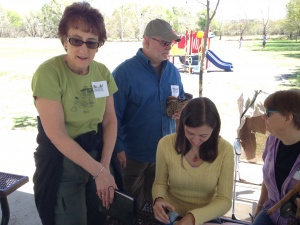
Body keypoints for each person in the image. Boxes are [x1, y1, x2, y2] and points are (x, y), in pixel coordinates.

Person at [31, 2, 119, 225]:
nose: (83, 49)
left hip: (96, 155)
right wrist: (99, 172)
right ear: (64, 40)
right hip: (64, 163)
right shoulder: (48, 74)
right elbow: (57, 134)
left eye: (91, 42)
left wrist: (104, 166)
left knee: (99, 217)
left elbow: (109, 121)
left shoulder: (102, 72)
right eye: (76, 40)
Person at [112, 18, 185, 209]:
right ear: (146, 41)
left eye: (171, 43)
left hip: (163, 154)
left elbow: (180, 99)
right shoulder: (124, 73)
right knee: (131, 207)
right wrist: (118, 148)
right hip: (132, 155)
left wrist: (179, 109)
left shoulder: (173, 72)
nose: (169, 47)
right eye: (164, 42)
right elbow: (113, 116)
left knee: (157, 204)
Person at [152, 97, 235, 225]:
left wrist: (192, 217)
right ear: (182, 124)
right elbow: (160, 183)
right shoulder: (165, 144)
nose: (196, 141)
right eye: (190, 133)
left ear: (214, 130)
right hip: (172, 215)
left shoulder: (226, 150)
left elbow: (224, 200)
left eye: (203, 136)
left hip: (206, 217)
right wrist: (158, 199)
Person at [252, 89, 300, 225]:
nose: (263, 117)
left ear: (288, 118)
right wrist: (259, 209)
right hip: (271, 213)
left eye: (268, 113)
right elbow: (267, 181)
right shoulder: (272, 141)